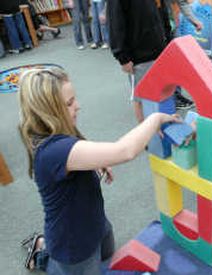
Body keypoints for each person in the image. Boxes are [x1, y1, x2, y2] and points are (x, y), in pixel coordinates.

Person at [18, 67, 179, 272]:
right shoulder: (53, 151)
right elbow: (125, 151)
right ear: (47, 113)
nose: (78, 106)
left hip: (95, 221)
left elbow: (78, 149)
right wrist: (154, 119)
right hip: (73, 243)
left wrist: (96, 161)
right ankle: (41, 255)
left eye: (74, 99)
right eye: (69, 103)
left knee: (107, 254)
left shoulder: (58, 132)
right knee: (81, 267)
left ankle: (46, 247)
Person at [108, 0, 202, 123]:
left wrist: (168, 42)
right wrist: (122, 57)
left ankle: (164, 131)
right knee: (141, 98)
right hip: (139, 56)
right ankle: (145, 136)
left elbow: (162, 13)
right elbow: (116, 23)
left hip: (160, 50)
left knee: (164, 94)